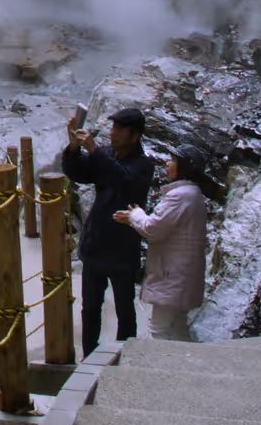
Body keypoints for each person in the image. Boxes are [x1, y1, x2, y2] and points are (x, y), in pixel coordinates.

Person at [62, 106, 156, 356]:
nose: (112, 133)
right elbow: (79, 172)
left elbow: (123, 181)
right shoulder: (105, 154)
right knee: (90, 308)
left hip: (122, 249)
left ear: (134, 136)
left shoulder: (143, 165)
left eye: (118, 130)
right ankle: (89, 357)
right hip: (96, 244)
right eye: (112, 128)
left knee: (125, 310)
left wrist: (93, 150)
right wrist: (73, 148)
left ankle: (124, 358)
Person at [113, 143, 210, 342]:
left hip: (171, 276)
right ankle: (185, 369)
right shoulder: (193, 195)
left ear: (184, 168)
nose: (167, 164)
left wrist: (135, 214)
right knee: (177, 328)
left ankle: (158, 371)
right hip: (182, 275)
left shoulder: (179, 196)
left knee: (158, 331)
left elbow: (152, 229)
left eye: (173, 160)